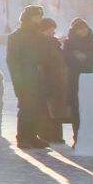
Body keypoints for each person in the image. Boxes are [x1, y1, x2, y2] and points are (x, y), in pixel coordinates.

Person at [6, 5, 50, 149]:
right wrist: (18, 83)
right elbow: (12, 61)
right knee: (26, 107)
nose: (39, 19)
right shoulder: (16, 37)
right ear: (28, 18)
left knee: (36, 108)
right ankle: (23, 137)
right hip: (24, 78)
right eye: (36, 16)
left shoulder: (39, 36)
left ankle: (32, 136)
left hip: (38, 78)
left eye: (40, 16)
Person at [60, 18, 93, 143]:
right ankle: (78, 139)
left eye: (85, 28)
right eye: (80, 28)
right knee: (77, 110)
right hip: (76, 80)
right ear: (75, 30)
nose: (83, 31)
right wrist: (88, 62)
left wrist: (86, 56)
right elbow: (68, 61)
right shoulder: (69, 43)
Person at [34, 16, 70, 148]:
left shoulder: (54, 44)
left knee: (56, 110)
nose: (52, 34)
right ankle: (45, 135)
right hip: (44, 81)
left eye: (53, 31)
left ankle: (55, 135)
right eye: (49, 31)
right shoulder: (42, 44)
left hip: (56, 81)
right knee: (45, 110)